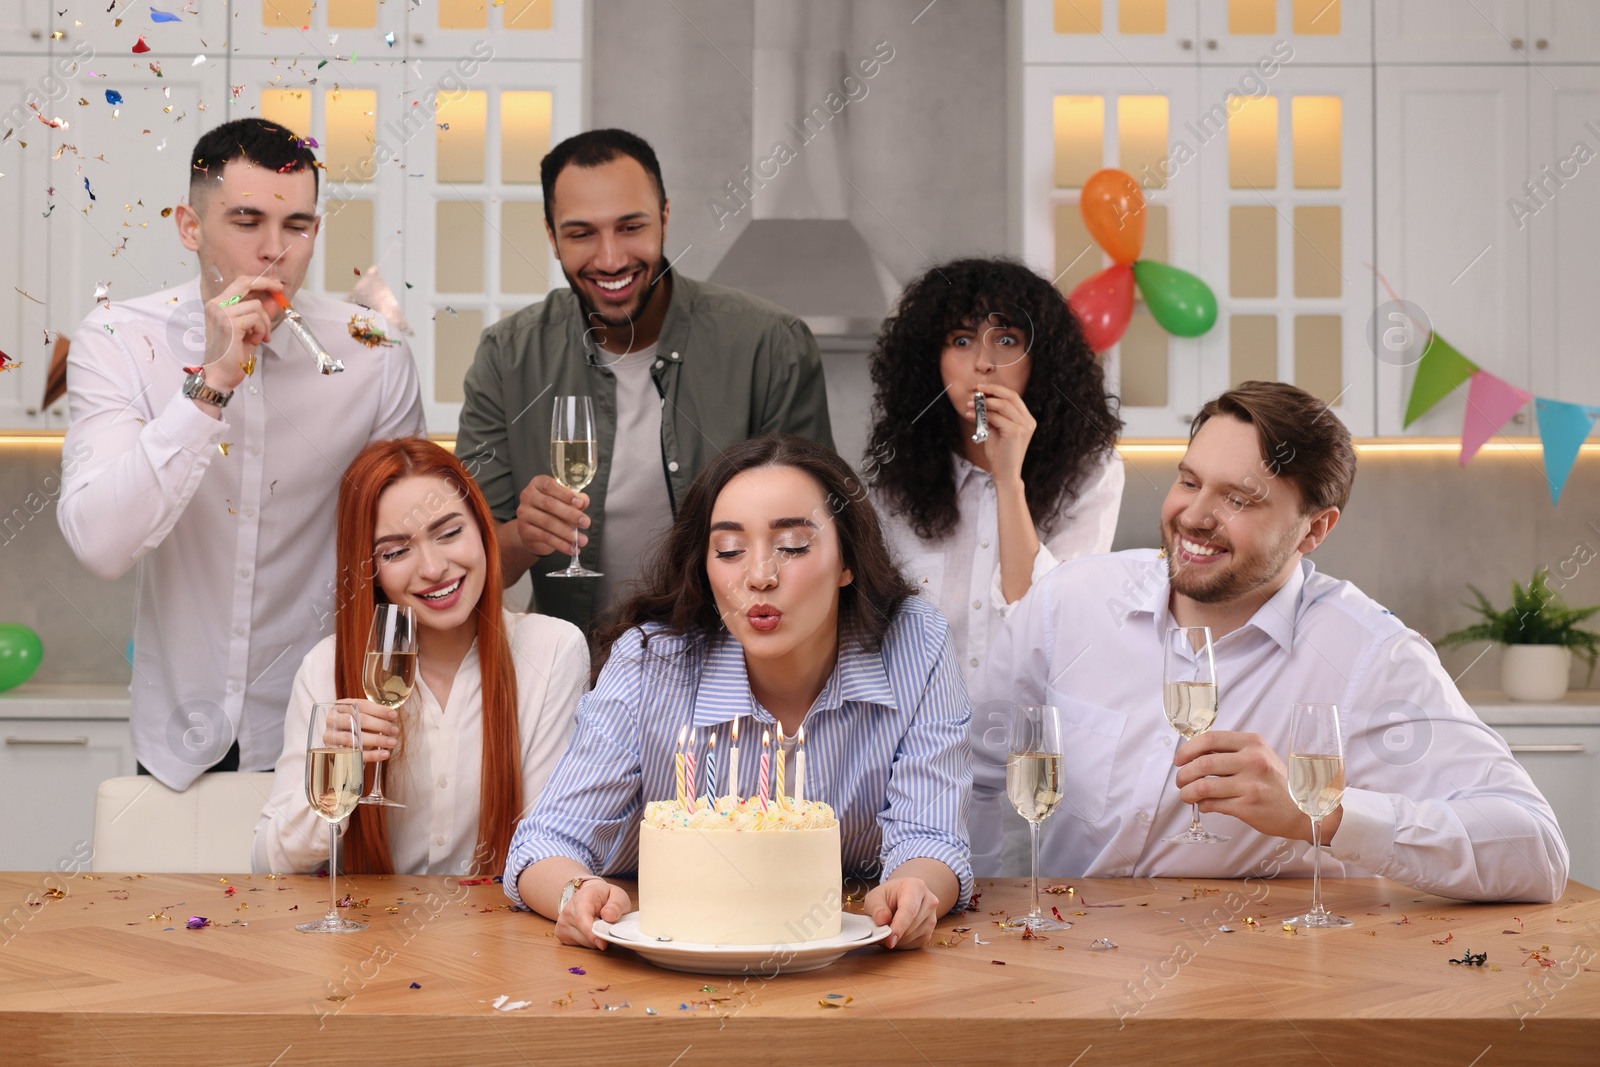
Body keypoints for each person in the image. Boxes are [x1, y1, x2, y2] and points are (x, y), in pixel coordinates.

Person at [969, 381, 1569, 903]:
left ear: (1314, 529)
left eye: (1239, 499)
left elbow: (1537, 851)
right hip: (1069, 970)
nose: (1193, 516)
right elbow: (974, 776)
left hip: (1260, 987)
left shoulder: (1370, 656)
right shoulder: (1068, 603)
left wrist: (1328, 813)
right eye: (1188, 481)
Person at [58, 118, 425, 790]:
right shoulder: (117, 339)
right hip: (177, 743)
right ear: (190, 227)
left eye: (297, 226)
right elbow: (101, 545)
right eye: (247, 220)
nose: (273, 250)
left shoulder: (372, 354)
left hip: (326, 730)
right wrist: (215, 379)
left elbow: (405, 554)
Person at [503, 434, 972, 950]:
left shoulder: (916, 643)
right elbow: (547, 839)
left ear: (847, 560)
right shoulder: (648, 662)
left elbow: (932, 835)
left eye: (792, 546)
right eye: (729, 550)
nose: (759, 576)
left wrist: (916, 888)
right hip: (657, 960)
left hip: (850, 962)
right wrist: (576, 891)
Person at [454, 129, 835, 631]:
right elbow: (467, 567)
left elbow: (815, 538)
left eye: (630, 226)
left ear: (664, 218)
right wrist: (526, 535)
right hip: (577, 673)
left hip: (729, 664)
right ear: (551, 237)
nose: (611, 259)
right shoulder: (506, 358)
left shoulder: (772, 345)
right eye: (581, 233)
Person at [253, 438, 587, 876]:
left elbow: (547, 838)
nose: (432, 568)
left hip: (503, 936)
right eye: (395, 552)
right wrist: (337, 773)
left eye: (449, 533)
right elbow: (267, 864)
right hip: (366, 939)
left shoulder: (553, 649)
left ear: (484, 530)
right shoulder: (327, 666)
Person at [866, 257, 1124, 685]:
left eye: (1005, 339)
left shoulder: (1091, 471)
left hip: (1034, 734)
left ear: (1040, 359)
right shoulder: (894, 475)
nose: (983, 362)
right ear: (933, 359)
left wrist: (1008, 480)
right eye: (962, 340)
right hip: (922, 736)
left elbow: (1044, 621)